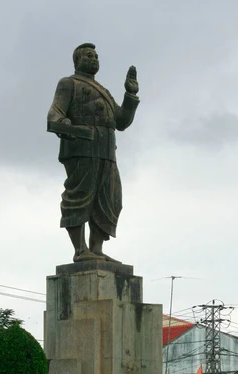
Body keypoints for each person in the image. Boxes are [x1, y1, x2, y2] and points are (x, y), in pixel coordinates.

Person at [47, 43, 139, 263]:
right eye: (89, 55)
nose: (95, 59)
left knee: (110, 198)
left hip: (106, 151)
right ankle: (80, 250)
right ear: (77, 60)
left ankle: (96, 249)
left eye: (97, 56)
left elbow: (122, 121)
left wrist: (130, 95)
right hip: (82, 149)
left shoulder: (103, 91)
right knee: (80, 196)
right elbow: (54, 115)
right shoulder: (68, 84)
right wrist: (67, 127)